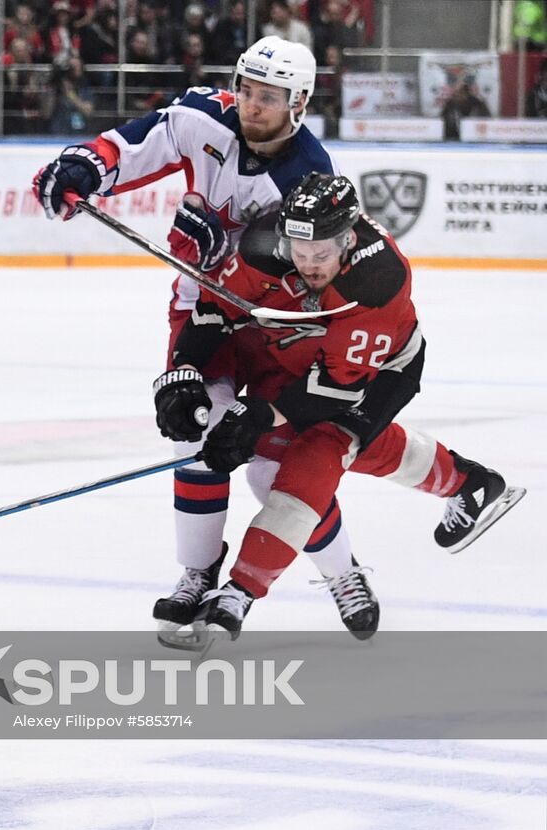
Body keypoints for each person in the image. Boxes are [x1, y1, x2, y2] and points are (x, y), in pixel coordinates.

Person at [32, 37, 364, 637]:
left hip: (269, 331)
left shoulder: (309, 177)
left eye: (268, 97)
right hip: (197, 313)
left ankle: (342, 571)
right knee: (190, 434)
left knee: (274, 470)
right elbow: (134, 144)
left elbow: (294, 281)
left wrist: (222, 250)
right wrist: (85, 164)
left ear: (300, 103)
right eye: (246, 88)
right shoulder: (202, 116)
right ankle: (197, 572)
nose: (251, 104)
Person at [161, 174, 523, 641]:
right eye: (300, 252)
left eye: (321, 255)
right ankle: (468, 482)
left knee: (318, 451)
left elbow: (335, 389)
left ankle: (242, 593)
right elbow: (214, 309)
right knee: (287, 452)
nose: (308, 264)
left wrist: (259, 416)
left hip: (376, 374)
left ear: (348, 240)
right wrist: (185, 369)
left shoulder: (377, 280)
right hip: (297, 350)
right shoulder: (261, 246)